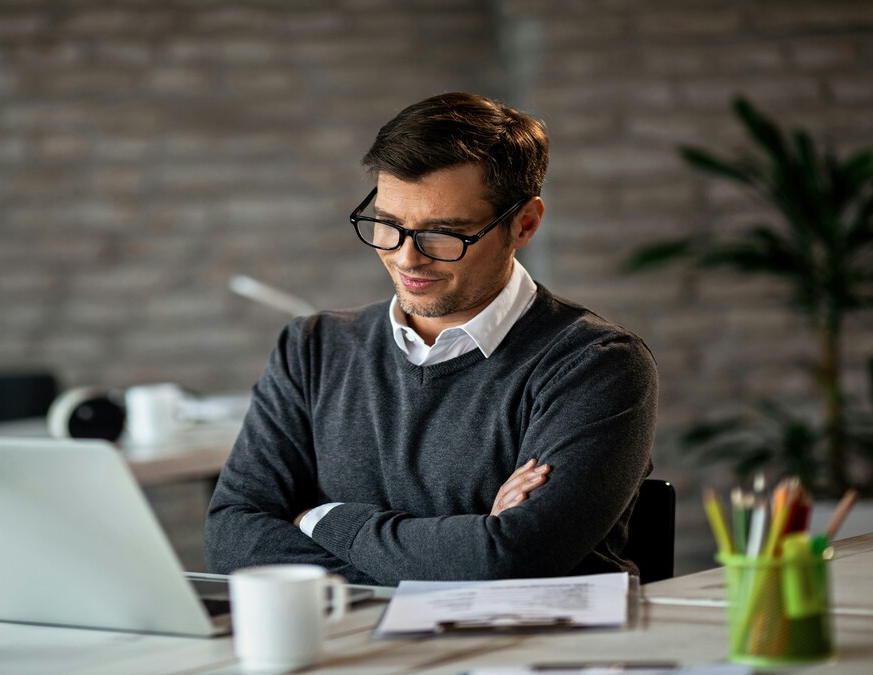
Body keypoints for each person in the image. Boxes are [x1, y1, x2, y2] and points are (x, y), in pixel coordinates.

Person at [204, 93, 658, 586]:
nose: (407, 259)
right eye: (389, 225)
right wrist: (471, 538)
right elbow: (232, 539)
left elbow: (509, 560)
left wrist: (318, 518)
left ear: (524, 223)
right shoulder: (312, 348)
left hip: (529, 652)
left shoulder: (595, 364)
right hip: (357, 649)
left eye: (443, 234)